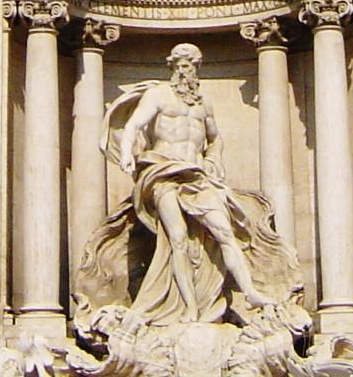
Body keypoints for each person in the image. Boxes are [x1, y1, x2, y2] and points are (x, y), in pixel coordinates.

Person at [73, 42, 298, 325]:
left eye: (189, 66)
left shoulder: (203, 105)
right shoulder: (158, 95)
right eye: (179, 65)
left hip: (196, 175)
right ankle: (190, 307)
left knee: (225, 231)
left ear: (197, 69)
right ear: (172, 67)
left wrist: (214, 159)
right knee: (177, 238)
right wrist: (128, 153)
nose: (184, 71)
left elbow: (215, 138)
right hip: (163, 172)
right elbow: (133, 125)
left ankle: (250, 292)